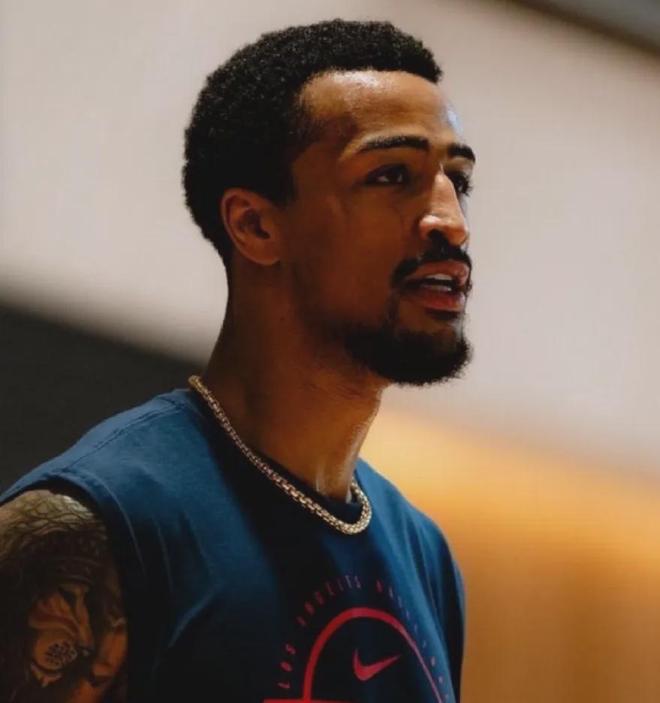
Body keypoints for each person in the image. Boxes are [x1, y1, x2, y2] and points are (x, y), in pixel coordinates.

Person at [0, 17, 476, 703]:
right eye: (391, 175)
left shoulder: (425, 556)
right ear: (255, 225)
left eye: (457, 181)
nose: (451, 221)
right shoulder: (91, 527)